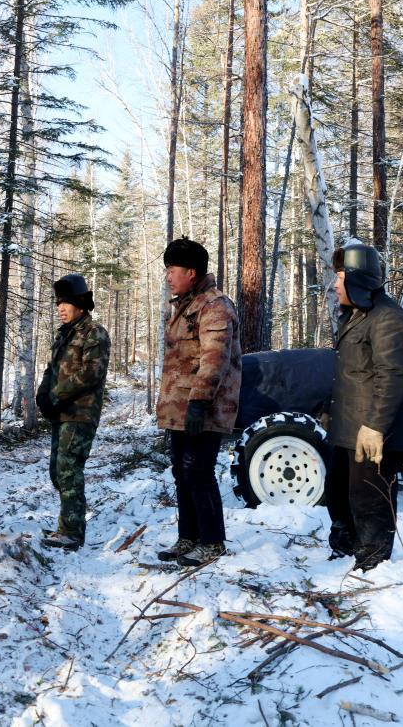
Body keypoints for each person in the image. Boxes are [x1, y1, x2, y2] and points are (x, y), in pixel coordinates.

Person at [326, 243, 403, 571]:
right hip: (349, 427)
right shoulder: (357, 315)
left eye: (340, 278)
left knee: (370, 498)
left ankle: (373, 564)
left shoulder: (388, 318)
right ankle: (346, 548)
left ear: (357, 279)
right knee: (338, 491)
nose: (335, 285)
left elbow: (393, 376)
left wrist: (375, 427)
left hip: (371, 430)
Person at [155, 238, 241, 567]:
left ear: (191, 272)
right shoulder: (185, 305)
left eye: (172, 270)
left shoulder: (214, 305)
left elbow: (214, 359)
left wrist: (199, 403)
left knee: (198, 472)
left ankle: (212, 542)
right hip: (181, 409)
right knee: (182, 472)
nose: (168, 277)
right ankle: (189, 537)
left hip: (205, 409)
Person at [35, 274, 111, 551]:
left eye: (65, 303)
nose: (60, 308)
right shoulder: (64, 334)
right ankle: (67, 524)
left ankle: (71, 532)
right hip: (61, 413)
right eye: (58, 303)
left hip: (81, 413)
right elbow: (51, 369)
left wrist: (56, 395)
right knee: (57, 471)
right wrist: (43, 394)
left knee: (68, 470)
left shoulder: (94, 332)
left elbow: (92, 372)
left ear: (80, 304)